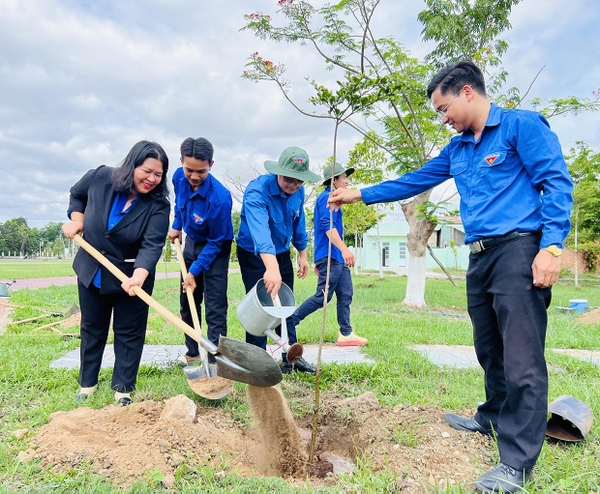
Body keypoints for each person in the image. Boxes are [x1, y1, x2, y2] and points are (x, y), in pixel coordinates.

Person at [328, 61, 573, 493]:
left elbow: (556, 183)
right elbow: (414, 180)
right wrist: (359, 194)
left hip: (519, 249)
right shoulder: (458, 149)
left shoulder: (520, 127)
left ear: (466, 92)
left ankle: (516, 462)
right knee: (487, 346)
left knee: (522, 358)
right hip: (480, 257)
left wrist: (551, 247)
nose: (443, 119)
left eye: (443, 108)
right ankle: (493, 415)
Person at [62, 140, 170, 406]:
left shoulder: (158, 205)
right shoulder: (100, 177)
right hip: (92, 270)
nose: (152, 179)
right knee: (92, 327)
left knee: (129, 331)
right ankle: (87, 383)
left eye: (159, 174)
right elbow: (77, 194)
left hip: (131, 275)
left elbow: (152, 243)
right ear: (132, 164)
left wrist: (140, 276)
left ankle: (123, 388)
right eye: (147, 171)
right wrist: (78, 220)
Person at [236, 146, 320, 374]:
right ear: (278, 173)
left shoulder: (298, 193)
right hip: (253, 253)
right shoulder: (256, 192)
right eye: (288, 179)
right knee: (261, 306)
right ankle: (257, 362)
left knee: (286, 305)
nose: (293, 186)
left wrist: (302, 254)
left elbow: (298, 222)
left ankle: (290, 357)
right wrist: (270, 268)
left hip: (281, 252)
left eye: (299, 182)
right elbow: (260, 231)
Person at [168, 137, 233, 366]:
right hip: (191, 244)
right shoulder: (178, 176)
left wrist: (194, 271)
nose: (194, 176)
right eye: (189, 170)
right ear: (181, 162)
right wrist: (177, 224)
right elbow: (179, 202)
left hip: (216, 248)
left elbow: (215, 242)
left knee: (215, 306)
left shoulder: (220, 199)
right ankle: (193, 351)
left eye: (201, 171)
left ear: (211, 165)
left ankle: (215, 359)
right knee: (188, 301)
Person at [287, 163, 368, 347]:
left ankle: (346, 333)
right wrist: (344, 249)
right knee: (322, 296)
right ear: (334, 180)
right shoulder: (327, 199)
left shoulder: (334, 199)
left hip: (335, 257)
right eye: (344, 178)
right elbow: (327, 227)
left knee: (346, 293)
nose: (347, 181)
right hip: (333, 255)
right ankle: (291, 321)